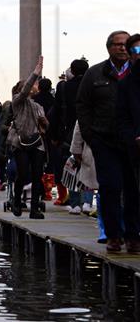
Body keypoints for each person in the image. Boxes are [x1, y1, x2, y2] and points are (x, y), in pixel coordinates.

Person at [77, 31, 137, 253]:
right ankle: (113, 235)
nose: (123, 48)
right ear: (109, 47)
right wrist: (89, 134)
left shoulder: (136, 72)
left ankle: (133, 235)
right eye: (118, 45)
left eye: (127, 45)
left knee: (134, 189)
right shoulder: (94, 74)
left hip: (133, 142)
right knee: (110, 188)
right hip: (105, 140)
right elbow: (82, 105)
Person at [9, 56, 48, 219]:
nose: (35, 86)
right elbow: (25, 91)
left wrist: (44, 122)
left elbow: (45, 127)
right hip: (21, 142)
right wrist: (36, 73)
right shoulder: (18, 102)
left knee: (38, 175)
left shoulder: (38, 106)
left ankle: (34, 209)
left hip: (37, 142)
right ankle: (17, 201)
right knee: (23, 174)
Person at [49, 58, 89, 207]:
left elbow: (56, 112)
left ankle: (74, 203)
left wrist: (54, 135)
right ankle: (87, 202)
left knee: (71, 165)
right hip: (89, 129)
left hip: (68, 131)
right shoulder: (91, 85)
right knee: (88, 165)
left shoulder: (64, 87)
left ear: (72, 71)